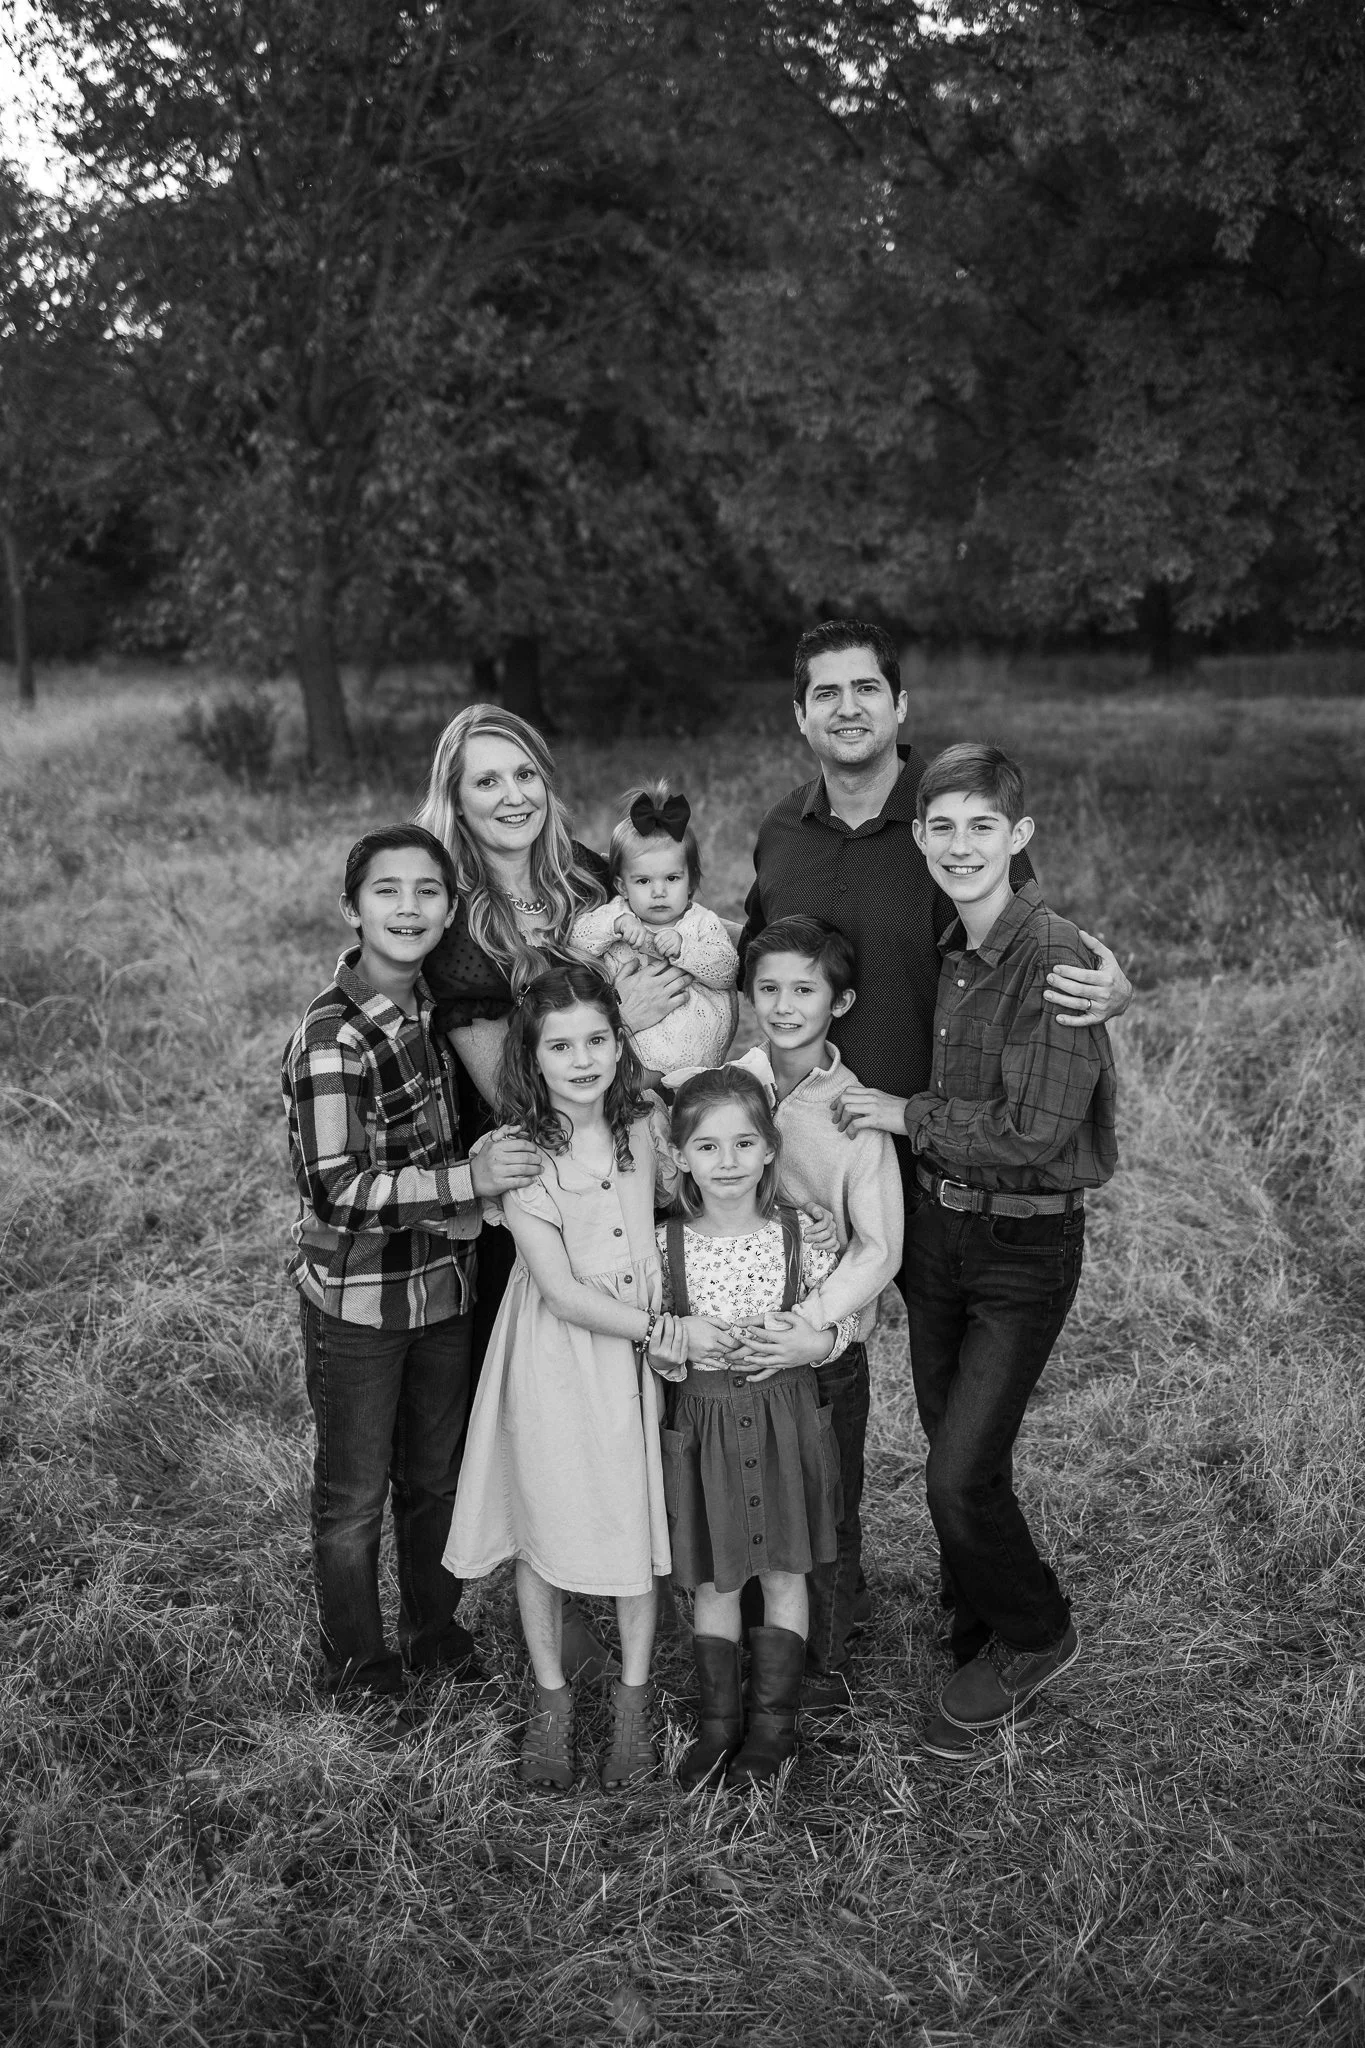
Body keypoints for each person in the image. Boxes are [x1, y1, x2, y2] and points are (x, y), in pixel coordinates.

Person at [834, 745, 1117, 1760]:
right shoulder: (955, 945)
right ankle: (977, 1624)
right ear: (920, 836)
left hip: (1021, 1244)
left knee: (958, 1472)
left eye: (981, 827)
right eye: (942, 827)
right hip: (938, 1233)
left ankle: (1036, 1632)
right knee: (955, 1445)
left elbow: (1034, 1132)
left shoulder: (1056, 957)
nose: (960, 846)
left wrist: (903, 1113)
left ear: (1018, 836)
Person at [416, 704, 692, 1680]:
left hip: (629, 1153)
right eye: (486, 780)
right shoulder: (456, 926)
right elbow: (512, 1093)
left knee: (640, 1390)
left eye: (525, 773)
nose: (512, 796)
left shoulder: (586, 876)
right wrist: (622, 1019)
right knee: (556, 1401)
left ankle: (652, 1564)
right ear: (455, 799)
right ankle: (559, 1595)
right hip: (535, 1184)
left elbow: (673, 937)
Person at [739, 620, 1131, 1306]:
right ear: (800, 715)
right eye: (826, 694)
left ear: (900, 704)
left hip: (941, 1152)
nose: (848, 707)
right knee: (822, 1334)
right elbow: (758, 948)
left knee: (939, 1346)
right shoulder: (781, 829)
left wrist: (1113, 988)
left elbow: (1023, 937)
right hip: (821, 1143)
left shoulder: (952, 818)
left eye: (866, 688)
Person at [280, 825, 541, 1720]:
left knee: (434, 1481)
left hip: (443, 1289)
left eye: (428, 891)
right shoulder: (332, 1034)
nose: (408, 908)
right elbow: (336, 1188)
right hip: (358, 1301)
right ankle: (361, 1667)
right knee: (353, 1497)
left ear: (449, 908)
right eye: (386, 891)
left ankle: (437, 1635)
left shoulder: (439, 1011)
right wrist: (469, 1180)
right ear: (350, 910)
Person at [443, 962, 688, 1791]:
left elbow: (681, 1204)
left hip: (635, 1354)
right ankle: (549, 1697)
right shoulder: (517, 1152)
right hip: (557, 1349)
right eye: (559, 1046)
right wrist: (657, 1330)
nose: (581, 1060)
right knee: (544, 1518)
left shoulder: (642, 1123)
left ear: (619, 1044)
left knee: (633, 1515)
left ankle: (631, 1703)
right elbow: (559, 1291)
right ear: (532, 1056)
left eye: (595, 1040)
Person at [651, 1066, 859, 1790]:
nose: (728, 1162)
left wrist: (818, 1343)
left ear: (770, 1147)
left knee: (784, 1570)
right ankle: (719, 1725)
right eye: (707, 1147)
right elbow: (653, 1347)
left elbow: (848, 1320)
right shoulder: (664, 1247)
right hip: (705, 1424)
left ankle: (774, 1726)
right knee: (716, 1578)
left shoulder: (801, 1236)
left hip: (783, 1419)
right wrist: (670, 1355)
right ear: (679, 1156)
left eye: (744, 1143)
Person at [725, 916, 903, 1709]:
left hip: (823, 1351)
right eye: (767, 989)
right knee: (748, 1503)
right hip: (737, 1343)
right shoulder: (728, 1087)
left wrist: (818, 1324)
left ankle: (820, 1670)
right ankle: (755, 1656)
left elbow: (879, 1246)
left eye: (804, 990)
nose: (784, 1005)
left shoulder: (852, 1112)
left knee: (826, 1512)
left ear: (841, 1001)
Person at [570, 779, 739, 1076]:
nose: (658, 892)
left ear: (691, 883)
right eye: (643, 881)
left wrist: (685, 949)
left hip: (697, 1056)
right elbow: (577, 941)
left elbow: (727, 970)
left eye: (672, 879)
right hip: (635, 1056)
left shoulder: (701, 922)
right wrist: (615, 926)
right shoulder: (616, 914)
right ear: (622, 885)